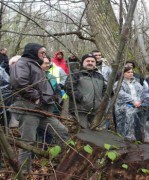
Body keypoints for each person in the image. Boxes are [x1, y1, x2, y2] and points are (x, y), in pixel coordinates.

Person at [9, 43, 69, 172]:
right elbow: (19, 83)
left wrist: (52, 98)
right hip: (28, 109)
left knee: (62, 131)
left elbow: (43, 87)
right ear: (33, 51)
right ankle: (24, 172)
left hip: (42, 110)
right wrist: (37, 98)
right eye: (42, 52)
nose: (44, 55)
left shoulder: (35, 65)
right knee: (28, 142)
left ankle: (61, 163)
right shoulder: (22, 63)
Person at [65, 53, 107, 128]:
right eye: (87, 61)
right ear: (82, 62)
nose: (90, 63)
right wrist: (82, 98)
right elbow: (69, 88)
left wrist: (102, 101)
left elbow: (105, 90)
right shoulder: (76, 73)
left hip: (96, 110)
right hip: (80, 109)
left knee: (98, 132)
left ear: (95, 63)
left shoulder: (100, 76)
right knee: (83, 132)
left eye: (92, 61)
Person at [114, 67, 149, 141]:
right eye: (128, 72)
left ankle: (138, 139)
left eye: (131, 72)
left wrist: (140, 101)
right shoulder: (118, 83)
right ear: (123, 73)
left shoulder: (136, 83)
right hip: (123, 107)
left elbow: (142, 92)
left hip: (137, 106)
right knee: (124, 124)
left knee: (137, 123)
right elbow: (120, 94)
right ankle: (123, 140)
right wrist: (133, 101)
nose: (130, 73)